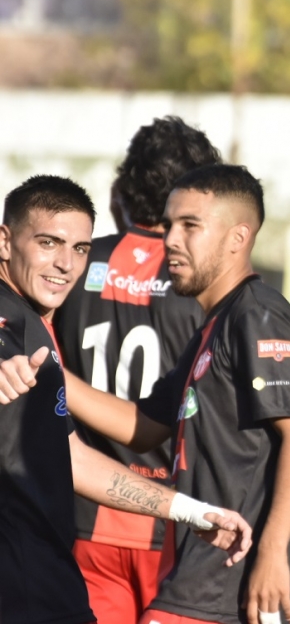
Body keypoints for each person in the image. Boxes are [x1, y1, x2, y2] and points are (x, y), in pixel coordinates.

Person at [0, 175, 251, 624]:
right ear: (5, 242)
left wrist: (190, 510)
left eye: (79, 248)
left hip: (43, 580)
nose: (64, 264)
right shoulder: (12, 323)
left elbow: (71, 458)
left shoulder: (35, 322)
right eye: (48, 242)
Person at [53, 116, 221, 623]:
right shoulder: (201, 279)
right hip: (176, 518)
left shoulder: (74, 263)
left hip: (83, 515)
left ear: (124, 187)